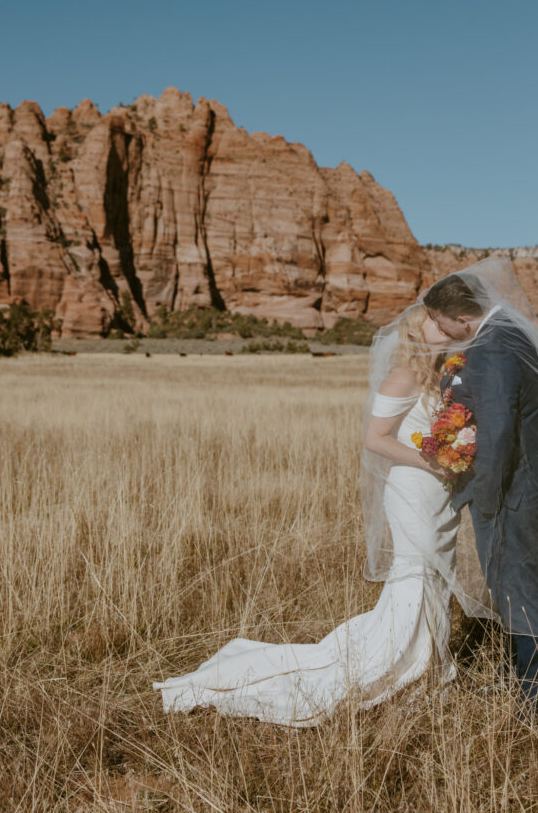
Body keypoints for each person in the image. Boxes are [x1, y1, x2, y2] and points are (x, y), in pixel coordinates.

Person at [153, 305, 459, 726]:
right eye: (436, 320)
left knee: (438, 574)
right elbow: (375, 439)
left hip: (438, 493)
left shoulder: (445, 378)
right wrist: (434, 462)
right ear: (417, 328)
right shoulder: (404, 374)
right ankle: (404, 669)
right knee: (417, 572)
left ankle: (427, 667)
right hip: (414, 490)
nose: (446, 325)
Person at [422, 274, 538, 716]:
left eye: (439, 322)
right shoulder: (512, 330)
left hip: (514, 492)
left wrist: (483, 499)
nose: (439, 330)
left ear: (463, 319)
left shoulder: (491, 348)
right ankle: (524, 677)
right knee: (524, 588)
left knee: (519, 592)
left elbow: (498, 431)